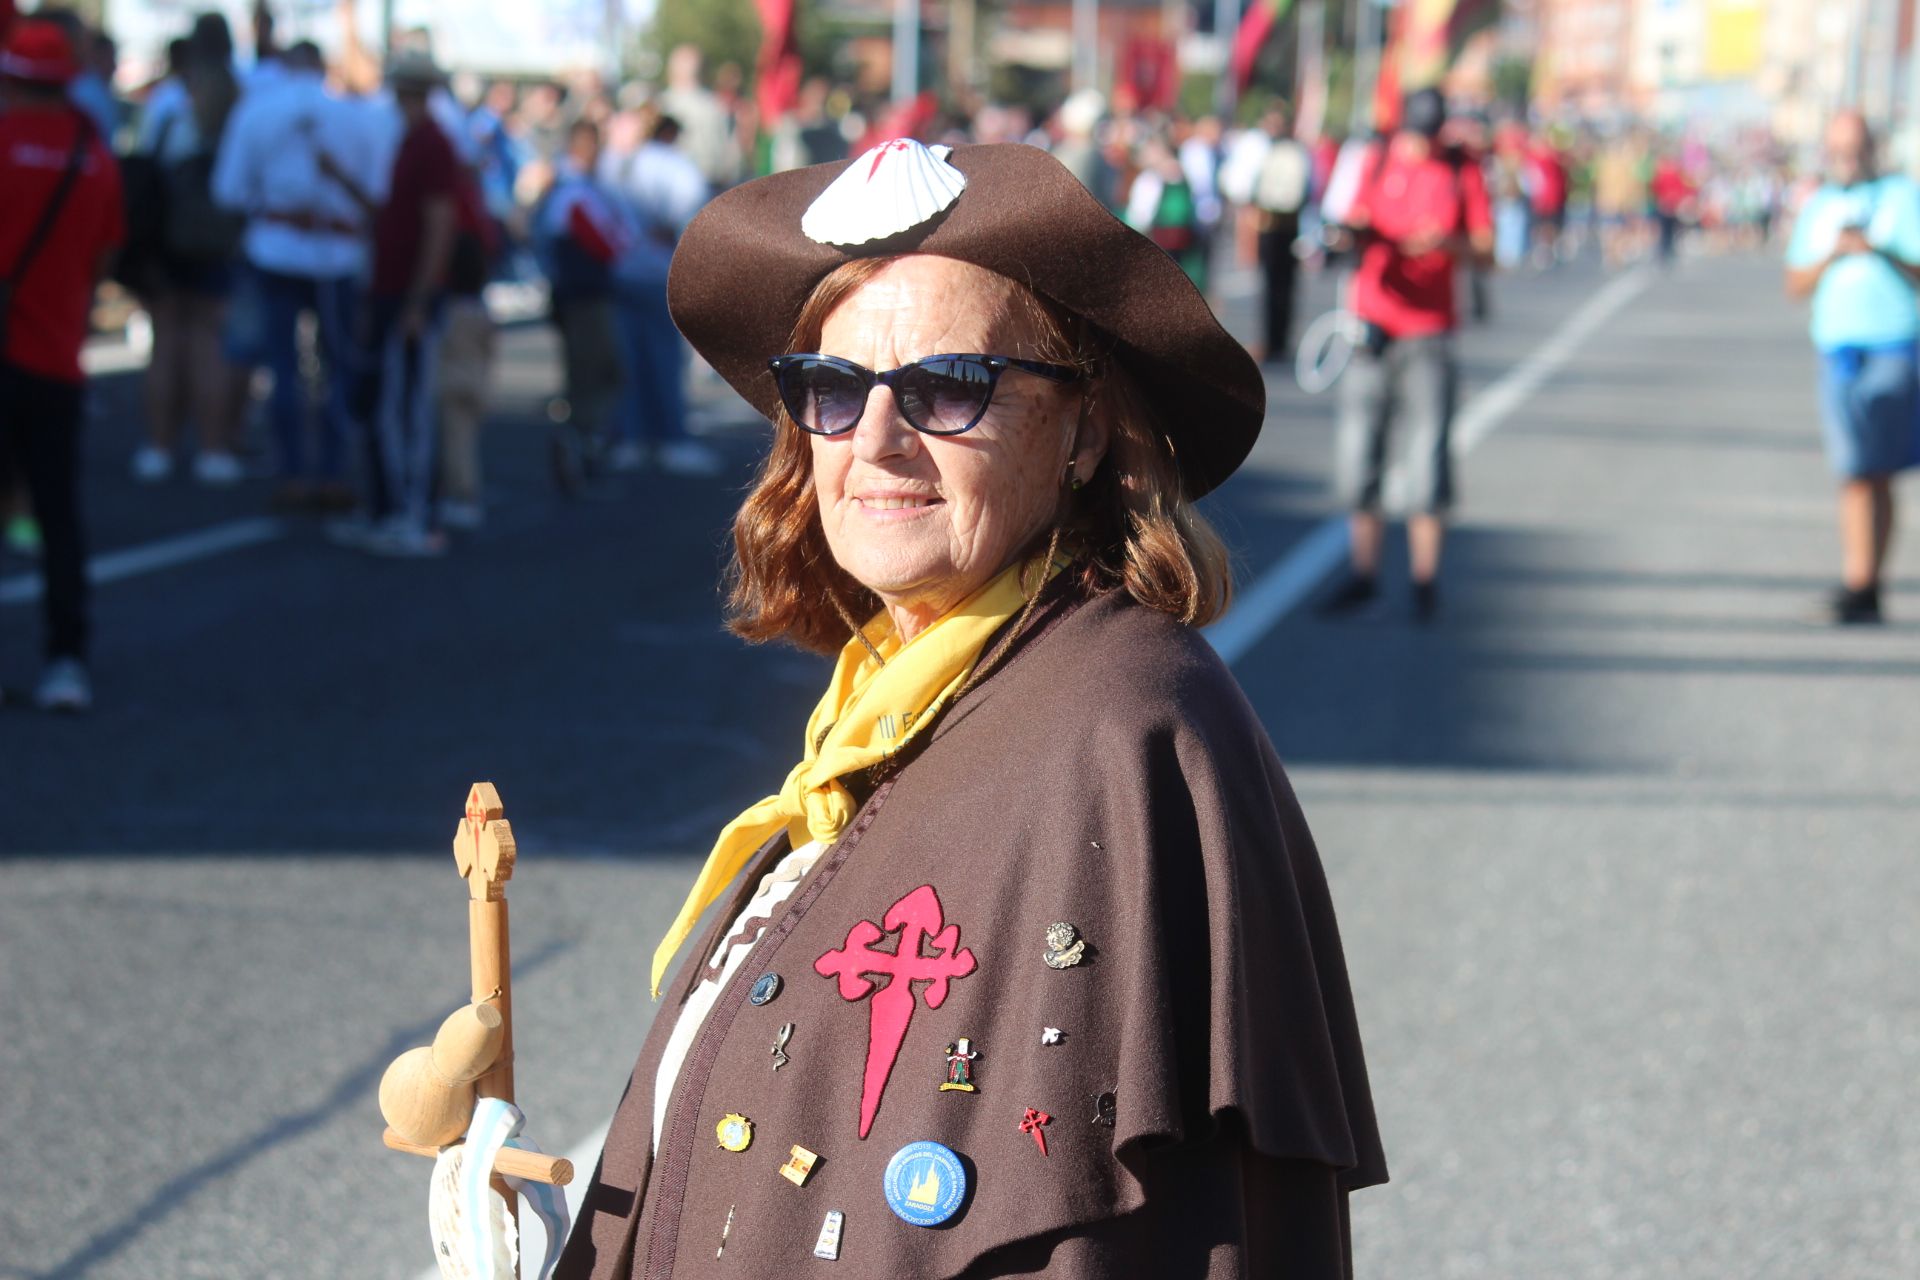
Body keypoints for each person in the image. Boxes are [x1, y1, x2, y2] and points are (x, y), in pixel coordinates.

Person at [554, 138, 1383, 1278]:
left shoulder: (1122, 728)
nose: (878, 442)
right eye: (835, 392)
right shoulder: (895, 703)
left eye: (948, 388)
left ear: (1086, 430)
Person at [1321, 88, 1494, 622]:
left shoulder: (1461, 170)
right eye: (1414, 137)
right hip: (1372, 325)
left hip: (1428, 331)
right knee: (1359, 451)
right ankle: (1364, 572)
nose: (1420, 147)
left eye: (1429, 137)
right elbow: (1348, 224)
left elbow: (1487, 251)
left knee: (1428, 452)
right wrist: (1344, 239)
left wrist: (1445, 245)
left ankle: (1424, 579)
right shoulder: (1373, 161)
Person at [0, 20, 125, 711]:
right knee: (58, 516)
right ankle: (66, 659)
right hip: (55, 359)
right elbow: (106, 257)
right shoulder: (93, 153)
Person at [212, 40, 386, 513]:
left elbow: (228, 191)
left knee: (283, 368)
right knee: (336, 368)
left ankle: (292, 471)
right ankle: (329, 470)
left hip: (277, 248)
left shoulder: (259, 110)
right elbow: (378, 189)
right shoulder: (358, 115)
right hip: (337, 253)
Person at [1784, 110, 1920, 625]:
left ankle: (1866, 582)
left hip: (1894, 345)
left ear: (1873, 149)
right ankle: (1861, 583)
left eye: (1857, 149)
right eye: (1839, 151)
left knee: (1873, 469)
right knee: (1854, 470)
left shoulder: (1903, 198)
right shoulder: (1820, 205)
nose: (1849, 160)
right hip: (1837, 350)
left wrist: (1881, 250)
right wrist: (1834, 255)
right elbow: (1794, 285)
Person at [327, 50, 461, 556]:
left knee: (406, 410)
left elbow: (437, 225)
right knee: (390, 405)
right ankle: (391, 509)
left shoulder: (430, 144)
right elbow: (398, 219)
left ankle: (416, 515)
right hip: (394, 290)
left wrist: (417, 300)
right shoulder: (413, 141)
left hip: (407, 294)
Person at [604, 113, 717, 475]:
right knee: (665, 360)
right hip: (658, 273)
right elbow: (693, 214)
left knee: (630, 359)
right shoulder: (674, 166)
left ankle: (633, 437)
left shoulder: (616, 164)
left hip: (621, 270)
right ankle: (671, 439)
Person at [537, 118, 627, 489]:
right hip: (583, 299)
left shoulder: (573, 189)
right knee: (596, 373)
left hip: (581, 295)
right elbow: (611, 242)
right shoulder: (573, 192)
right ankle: (579, 447)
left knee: (596, 373)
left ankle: (583, 447)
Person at [1249, 103, 1311, 363]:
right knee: (1270, 286)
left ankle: (1279, 341)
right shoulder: (1268, 150)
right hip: (1270, 224)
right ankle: (1273, 339)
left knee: (1283, 287)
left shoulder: (1292, 153)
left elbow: (1297, 192)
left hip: (1284, 226)